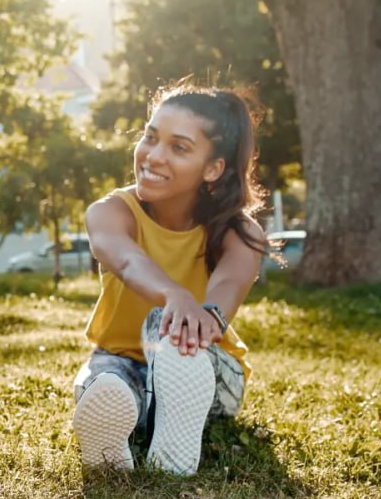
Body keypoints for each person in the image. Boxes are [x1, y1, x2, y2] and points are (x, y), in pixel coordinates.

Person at [72, 80, 267, 476]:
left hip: (202, 361)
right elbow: (125, 261)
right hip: (122, 357)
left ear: (213, 169)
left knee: (168, 326)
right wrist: (172, 292)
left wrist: (198, 314)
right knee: (105, 384)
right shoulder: (111, 212)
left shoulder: (240, 234)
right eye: (150, 137)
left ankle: (170, 416)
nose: (153, 156)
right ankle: (128, 421)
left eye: (179, 148)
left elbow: (225, 292)